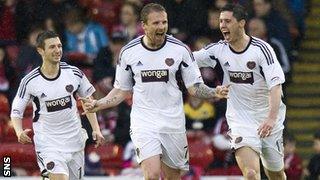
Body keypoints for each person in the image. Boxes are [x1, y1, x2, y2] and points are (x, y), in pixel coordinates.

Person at [81, 3, 230, 180]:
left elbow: (194, 87)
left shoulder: (180, 50)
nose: (161, 27)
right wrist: (99, 103)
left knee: (173, 176)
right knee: (151, 175)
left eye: (164, 22)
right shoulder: (129, 53)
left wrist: (214, 92)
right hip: (144, 122)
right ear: (143, 25)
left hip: (172, 121)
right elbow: (121, 91)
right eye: (156, 23)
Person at [193, 4, 286, 180]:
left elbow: (276, 86)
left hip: (269, 117)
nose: (222, 25)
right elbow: (189, 60)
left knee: (276, 173)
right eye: (221, 21)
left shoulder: (262, 50)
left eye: (227, 21)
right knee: (250, 174)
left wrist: (271, 118)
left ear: (241, 23)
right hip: (240, 119)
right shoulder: (217, 50)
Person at [10, 31, 104, 180]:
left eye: (59, 46)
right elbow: (16, 111)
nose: (57, 50)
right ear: (40, 51)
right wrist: (18, 131)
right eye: (52, 47)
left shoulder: (74, 73)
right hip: (48, 142)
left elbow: (88, 102)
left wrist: (96, 129)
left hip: (74, 140)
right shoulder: (29, 81)